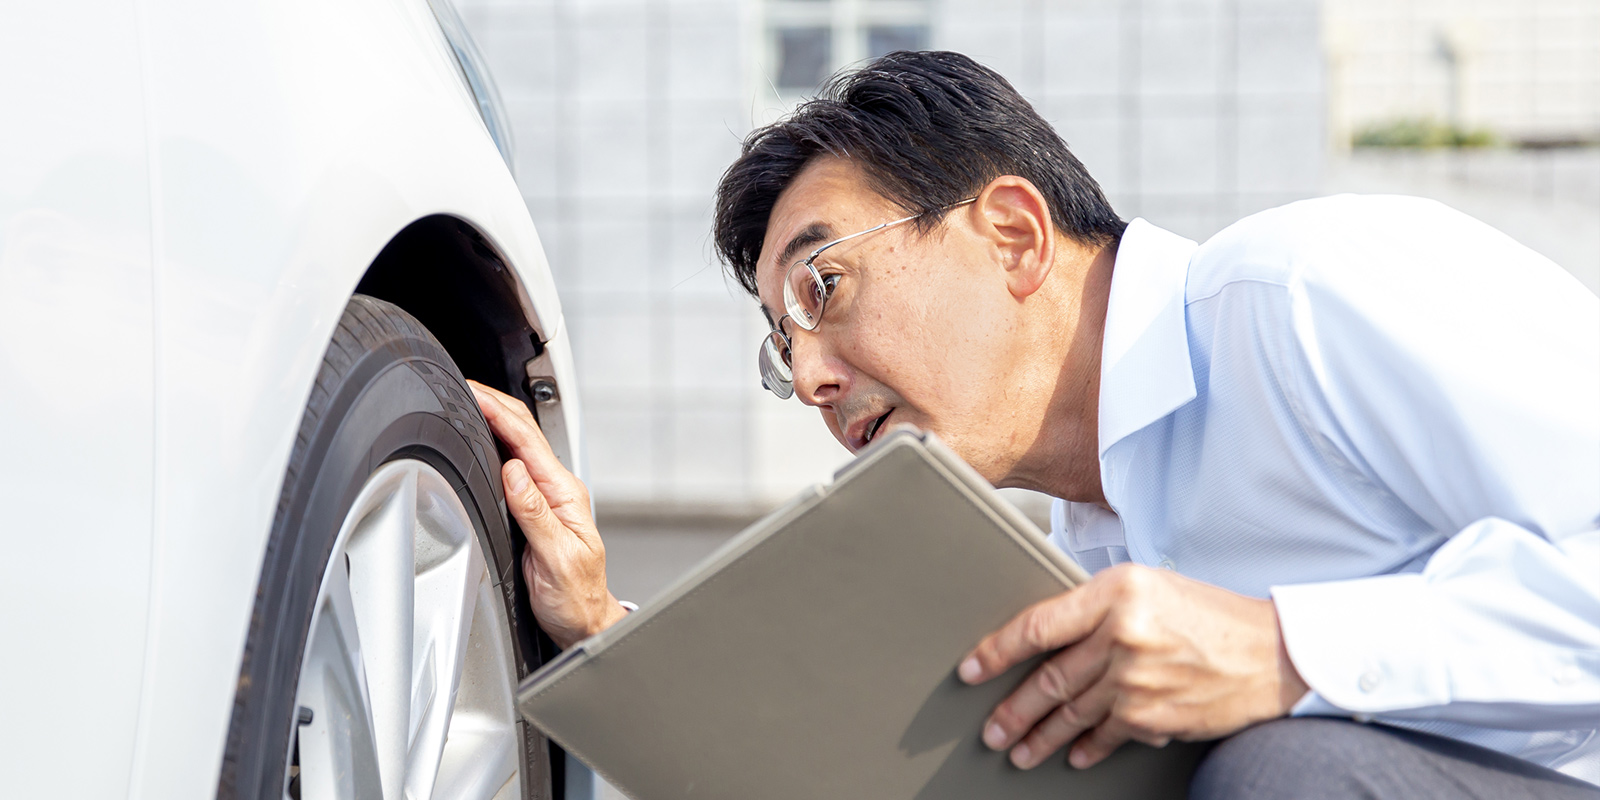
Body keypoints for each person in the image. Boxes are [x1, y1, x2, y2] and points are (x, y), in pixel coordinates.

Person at [468, 50, 1600, 798]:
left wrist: (1283, 650)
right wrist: (600, 630)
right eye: (781, 346)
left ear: (1012, 234)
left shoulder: (1303, 292)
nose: (809, 374)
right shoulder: (1070, 549)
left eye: (820, 287)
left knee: (1281, 769)